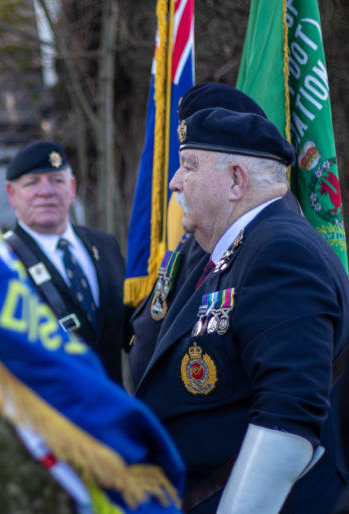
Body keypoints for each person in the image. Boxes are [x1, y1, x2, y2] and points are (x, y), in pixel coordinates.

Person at [133, 108, 349, 513]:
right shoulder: (245, 246)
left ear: (236, 180)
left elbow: (287, 419)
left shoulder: (280, 253)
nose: (174, 181)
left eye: (188, 166)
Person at [128, 82, 301, 385]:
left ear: (236, 168)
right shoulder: (213, 223)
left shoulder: (269, 237)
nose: (176, 181)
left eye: (193, 164)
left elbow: (284, 394)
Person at [3, 140, 128, 383]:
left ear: (72, 188)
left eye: (57, 180)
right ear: (11, 194)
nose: (46, 191)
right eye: (32, 183)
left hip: (112, 412)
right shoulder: (3, 260)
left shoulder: (105, 246)